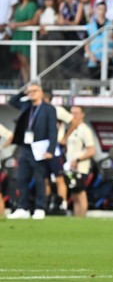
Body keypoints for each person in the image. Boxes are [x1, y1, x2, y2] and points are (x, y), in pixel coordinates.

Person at [7, 83, 57, 220]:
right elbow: (12, 101)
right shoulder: (26, 106)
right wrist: (23, 92)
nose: (32, 93)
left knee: (39, 178)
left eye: (34, 91)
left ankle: (40, 208)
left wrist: (50, 150)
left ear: (41, 92)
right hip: (26, 148)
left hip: (40, 148)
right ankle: (23, 207)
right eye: (30, 91)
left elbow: (53, 131)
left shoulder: (49, 109)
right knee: (22, 178)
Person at [64, 106, 95, 217]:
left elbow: (91, 150)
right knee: (74, 195)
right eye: (72, 113)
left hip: (80, 167)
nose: (74, 116)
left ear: (82, 114)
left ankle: (82, 217)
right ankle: (77, 218)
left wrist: (77, 159)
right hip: (69, 167)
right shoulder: (71, 129)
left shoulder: (85, 130)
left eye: (76, 113)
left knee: (81, 193)